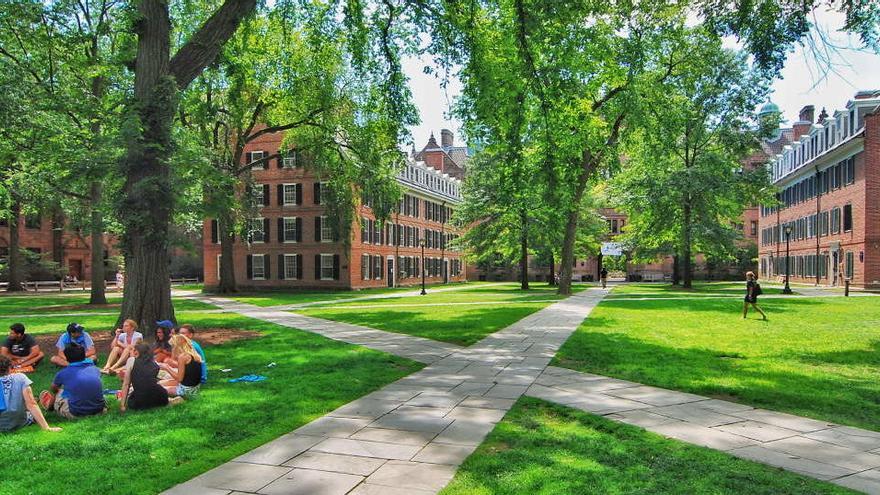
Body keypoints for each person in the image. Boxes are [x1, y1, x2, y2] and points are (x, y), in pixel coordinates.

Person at [40, 343, 106, 419]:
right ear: (84, 355)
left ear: (66, 358)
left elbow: (54, 388)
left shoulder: (63, 373)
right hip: (99, 410)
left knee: (59, 392)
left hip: (76, 413)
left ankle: (50, 406)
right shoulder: (94, 369)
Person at [0, 355, 61, 432]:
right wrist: (47, 428)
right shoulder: (20, 378)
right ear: (10, 368)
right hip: (18, 422)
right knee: (30, 409)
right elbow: (31, 404)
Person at [119, 342, 174, 412]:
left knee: (134, 396)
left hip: (140, 402)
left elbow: (126, 384)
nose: (131, 352)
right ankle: (171, 400)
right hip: (160, 398)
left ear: (137, 352)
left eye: (132, 350)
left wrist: (122, 405)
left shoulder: (131, 360)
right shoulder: (155, 364)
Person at [159, 334, 203, 399]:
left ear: (176, 346)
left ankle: (178, 399)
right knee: (160, 383)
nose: (172, 349)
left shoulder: (183, 357)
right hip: (194, 388)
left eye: (172, 347)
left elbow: (179, 379)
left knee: (159, 389)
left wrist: (167, 368)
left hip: (186, 390)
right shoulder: (194, 354)